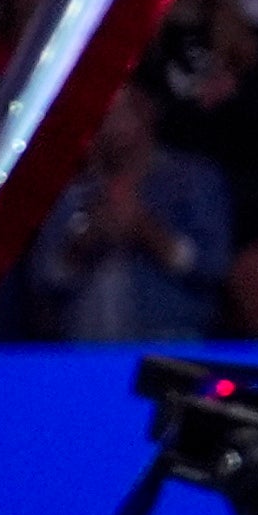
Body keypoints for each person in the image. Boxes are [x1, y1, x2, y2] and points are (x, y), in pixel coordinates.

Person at [26, 83, 233, 342]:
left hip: (171, 346)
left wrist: (144, 228)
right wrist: (87, 239)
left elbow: (213, 266)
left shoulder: (193, 180)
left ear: (149, 110)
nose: (116, 121)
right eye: (107, 111)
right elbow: (43, 280)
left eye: (125, 109)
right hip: (82, 351)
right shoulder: (70, 192)